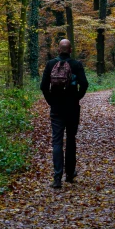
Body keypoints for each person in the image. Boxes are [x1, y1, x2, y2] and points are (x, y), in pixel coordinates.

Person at [40, 38, 89, 189]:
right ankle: (69, 174)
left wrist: (51, 101)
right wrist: (77, 98)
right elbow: (85, 84)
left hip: (56, 109)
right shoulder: (76, 65)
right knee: (71, 139)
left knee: (57, 141)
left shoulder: (50, 64)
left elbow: (43, 86)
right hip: (72, 108)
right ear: (70, 50)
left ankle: (57, 177)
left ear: (58, 49)